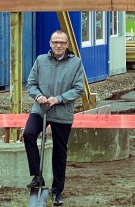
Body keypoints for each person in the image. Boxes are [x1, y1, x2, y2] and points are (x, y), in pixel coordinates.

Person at [23, 29, 86, 206]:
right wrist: (38, 96)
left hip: (62, 113)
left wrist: (59, 99)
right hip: (40, 109)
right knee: (28, 134)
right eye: (55, 42)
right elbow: (31, 84)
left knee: (59, 153)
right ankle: (37, 176)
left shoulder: (76, 63)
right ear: (50, 43)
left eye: (62, 43)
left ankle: (57, 191)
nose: (58, 45)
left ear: (67, 45)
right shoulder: (41, 60)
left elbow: (78, 88)